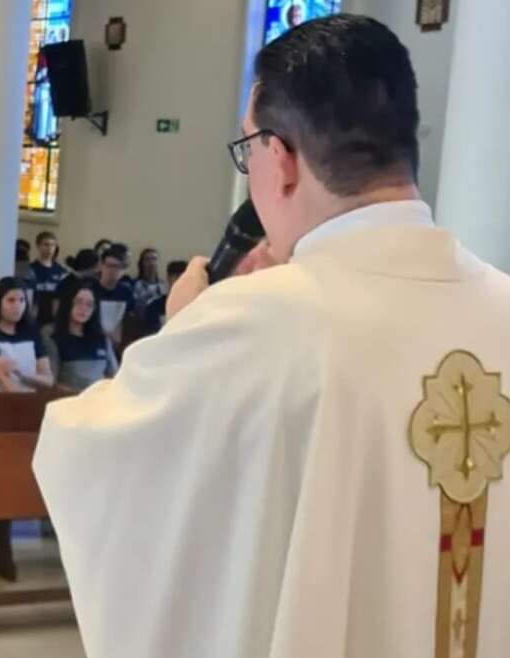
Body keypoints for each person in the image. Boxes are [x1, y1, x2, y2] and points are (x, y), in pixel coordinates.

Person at [34, 15, 510, 658]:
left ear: (280, 160)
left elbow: (83, 456)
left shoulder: (251, 322)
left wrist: (183, 328)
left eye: (248, 146)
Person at [0, 277, 52, 392]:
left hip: (30, 400)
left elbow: (48, 380)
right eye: (11, 300)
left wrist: (22, 374)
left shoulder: (32, 333)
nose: (17, 306)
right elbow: (2, 379)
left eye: (22, 300)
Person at [41, 278, 117, 392]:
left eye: (89, 305)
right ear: (68, 302)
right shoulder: (51, 334)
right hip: (68, 400)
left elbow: (115, 376)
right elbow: (50, 381)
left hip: (100, 400)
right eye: (79, 302)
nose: (83, 308)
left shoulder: (102, 338)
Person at [95, 245, 136, 350]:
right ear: (101, 266)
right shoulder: (90, 290)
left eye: (117, 267)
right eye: (109, 265)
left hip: (119, 343)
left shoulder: (126, 291)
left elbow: (129, 318)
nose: (112, 270)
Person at [29, 232, 67, 326]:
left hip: (54, 319)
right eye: (46, 244)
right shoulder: (30, 269)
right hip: (35, 317)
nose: (50, 248)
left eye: (53, 245)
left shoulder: (61, 271)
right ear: (38, 246)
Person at [142, 260, 187, 334]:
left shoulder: (195, 304)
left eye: (184, 277)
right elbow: (151, 333)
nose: (181, 281)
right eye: (177, 276)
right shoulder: (154, 305)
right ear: (169, 278)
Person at [131, 247, 167, 313]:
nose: (151, 263)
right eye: (147, 259)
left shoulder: (163, 285)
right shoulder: (135, 284)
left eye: (154, 259)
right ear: (142, 263)